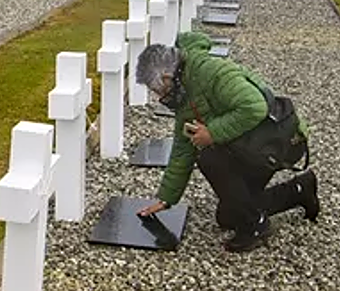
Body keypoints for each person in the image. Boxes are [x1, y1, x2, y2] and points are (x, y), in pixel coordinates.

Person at [134, 34, 319, 253]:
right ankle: (300, 189)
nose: (159, 98)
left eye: (158, 91)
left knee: (209, 157)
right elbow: (183, 148)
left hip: (278, 142)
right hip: (253, 144)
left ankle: (256, 225)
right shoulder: (184, 90)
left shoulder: (211, 73)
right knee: (229, 216)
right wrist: (166, 199)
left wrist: (212, 133)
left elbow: (254, 106)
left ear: (166, 77)